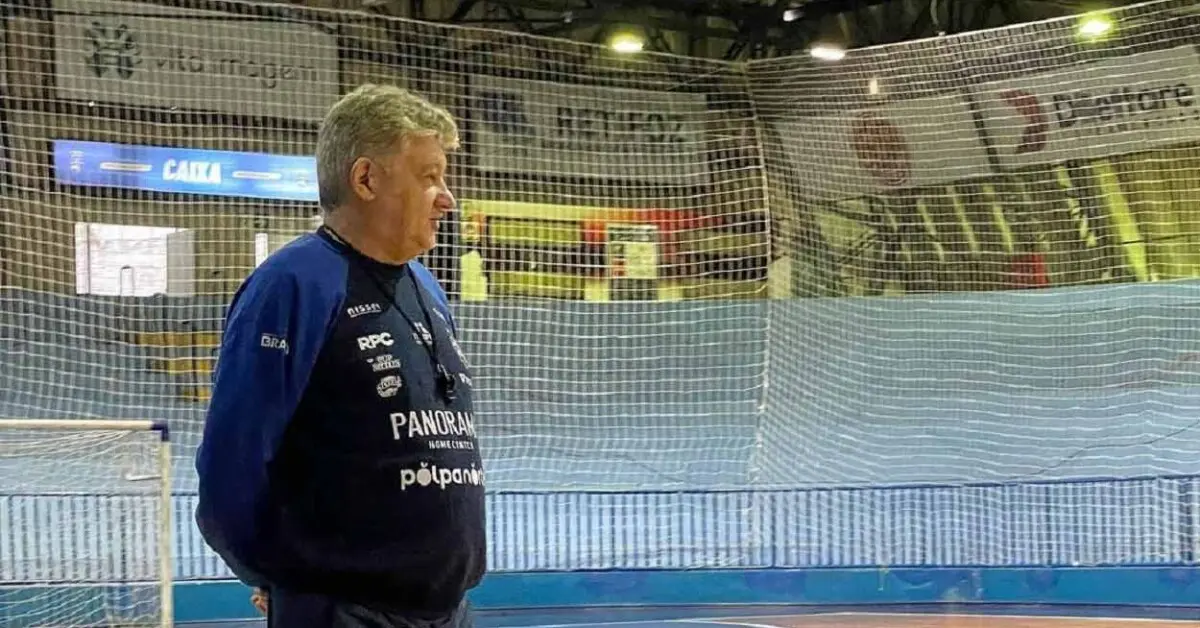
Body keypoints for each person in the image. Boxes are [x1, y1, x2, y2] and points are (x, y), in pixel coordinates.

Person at [194, 83, 485, 628]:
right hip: (344, 612)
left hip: (446, 611)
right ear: (366, 179)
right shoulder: (294, 283)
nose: (447, 198)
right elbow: (230, 468)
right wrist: (277, 577)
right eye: (429, 177)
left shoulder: (428, 288)